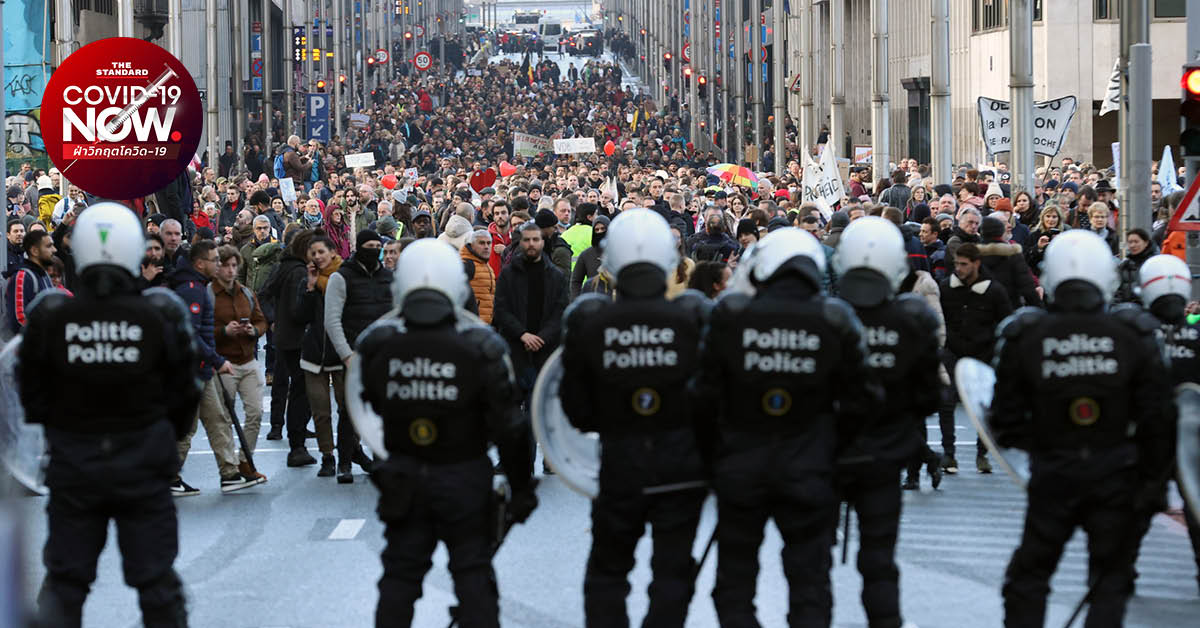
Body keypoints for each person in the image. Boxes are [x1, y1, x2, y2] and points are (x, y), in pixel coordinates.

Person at [18, 203, 201, 627]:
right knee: (157, 584)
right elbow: (186, 390)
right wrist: (157, 433)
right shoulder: (160, 311)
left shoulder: (52, 315)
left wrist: (65, 428)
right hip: (144, 460)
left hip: (74, 463)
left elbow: (30, 394)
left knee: (65, 583)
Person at [690, 228, 881, 627]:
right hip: (810, 467)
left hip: (741, 465)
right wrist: (836, 453)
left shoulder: (732, 314)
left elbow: (703, 397)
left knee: (735, 580)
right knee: (810, 580)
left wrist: (713, 460)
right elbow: (863, 400)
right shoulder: (835, 317)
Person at [354, 235, 539, 628]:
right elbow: (511, 426)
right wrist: (522, 489)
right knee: (473, 576)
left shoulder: (378, 345)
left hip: (405, 476)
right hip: (464, 477)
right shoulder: (479, 346)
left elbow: (367, 401)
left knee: (400, 578)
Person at [989, 230, 1172, 627]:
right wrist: (1153, 485)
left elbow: (1003, 420)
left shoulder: (1026, 335)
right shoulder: (1134, 334)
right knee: (1108, 579)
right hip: (1116, 473)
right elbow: (1159, 418)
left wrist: (1038, 443)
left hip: (1053, 474)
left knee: (1029, 576)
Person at [559, 209, 710, 626]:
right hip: (682, 466)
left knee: (608, 570)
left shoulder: (591, 322)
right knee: (673, 570)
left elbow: (576, 410)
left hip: (620, 465)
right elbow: (716, 399)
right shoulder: (694, 320)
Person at [832, 217, 942, 626]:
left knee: (807, 559)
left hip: (824, 453)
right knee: (879, 557)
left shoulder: (825, 318)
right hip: (883, 455)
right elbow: (930, 397)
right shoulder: (911, 322)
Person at [171, 239, 263, 495]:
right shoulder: (192, 290)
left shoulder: (199, 287)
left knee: (218, 420)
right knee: (187, 426)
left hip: (203, 368)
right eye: (215, 261)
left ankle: (230, 473)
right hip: (192, 369)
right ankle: (168, 475)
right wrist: (217, 359)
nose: (219, 265)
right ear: (200, 264)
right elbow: (190, 331)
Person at [1135, 254, 1200, 593]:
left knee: (1140, 505)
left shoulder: (1137, 334)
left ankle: (1121, 569)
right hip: (1192, 435)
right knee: (1195, 504)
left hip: (1149, 436)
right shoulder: (1196, 333)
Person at [492, 222, 569, 471]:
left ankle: (547, 458)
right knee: (512, 409)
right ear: (520, 242)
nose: (532, 244)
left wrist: (541, 337)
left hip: (545, 350)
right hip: (515, 348)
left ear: (542, 242)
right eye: (527, 240)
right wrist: (523, 334)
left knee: (543, 407)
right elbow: (501, 309)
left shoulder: (555, 276)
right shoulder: (508, 274)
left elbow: (560, 312)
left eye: (536, 240)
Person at [324, 230, 392, 483]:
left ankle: (380, 460)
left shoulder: (388, 278)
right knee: (349, 412)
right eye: (369, 245)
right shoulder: (341, 278)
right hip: (353, 355)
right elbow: (332, 320)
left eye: (378, 245)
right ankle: (344, 463)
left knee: (381, 411)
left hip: (383, 356)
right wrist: (346, 354)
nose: (374, 249)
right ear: (359, 247)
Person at [938, 242, 1012, 474]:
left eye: (964, 264)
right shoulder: (946, 288)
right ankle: (949, 454)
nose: (958, 268)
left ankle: (982, 454)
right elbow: (940, 319)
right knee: (946, 401)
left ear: (976, 264)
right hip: (952, 350)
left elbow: (1006, 322)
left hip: (983, 352)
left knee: (984, 405)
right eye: (956, 264)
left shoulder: (994, 291)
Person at [211, 245, 270, 484]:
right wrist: (223, 331)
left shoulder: (245, 292)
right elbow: (201, 330)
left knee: (255, 413)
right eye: (225, 265)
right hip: (223, 362)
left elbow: (261, 320)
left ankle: (245, 461)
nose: (230, 270)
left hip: (248, 360)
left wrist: (253, 330)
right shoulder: (209, 294)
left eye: (234, 265)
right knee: (224, 418)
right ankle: (229, 469)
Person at [5, 229, 56, 335]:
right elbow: (19, 318)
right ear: (34, 251)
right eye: (49, 246)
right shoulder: (23, 276)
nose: (54, 250)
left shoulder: (44, 274)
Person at [569, 215, 608, 299]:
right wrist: (576, 300)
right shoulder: (586, 254)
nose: (600, 232)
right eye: (597, 230)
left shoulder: (617, 252)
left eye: (603, 229)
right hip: (593, 301)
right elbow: (576, 281)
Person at [463, 229, 497, 322]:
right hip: (472, 325)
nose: (486, 247)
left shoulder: (486, 265)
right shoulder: (467, 264)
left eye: (489, 243)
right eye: (481, 243)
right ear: (472, 246)